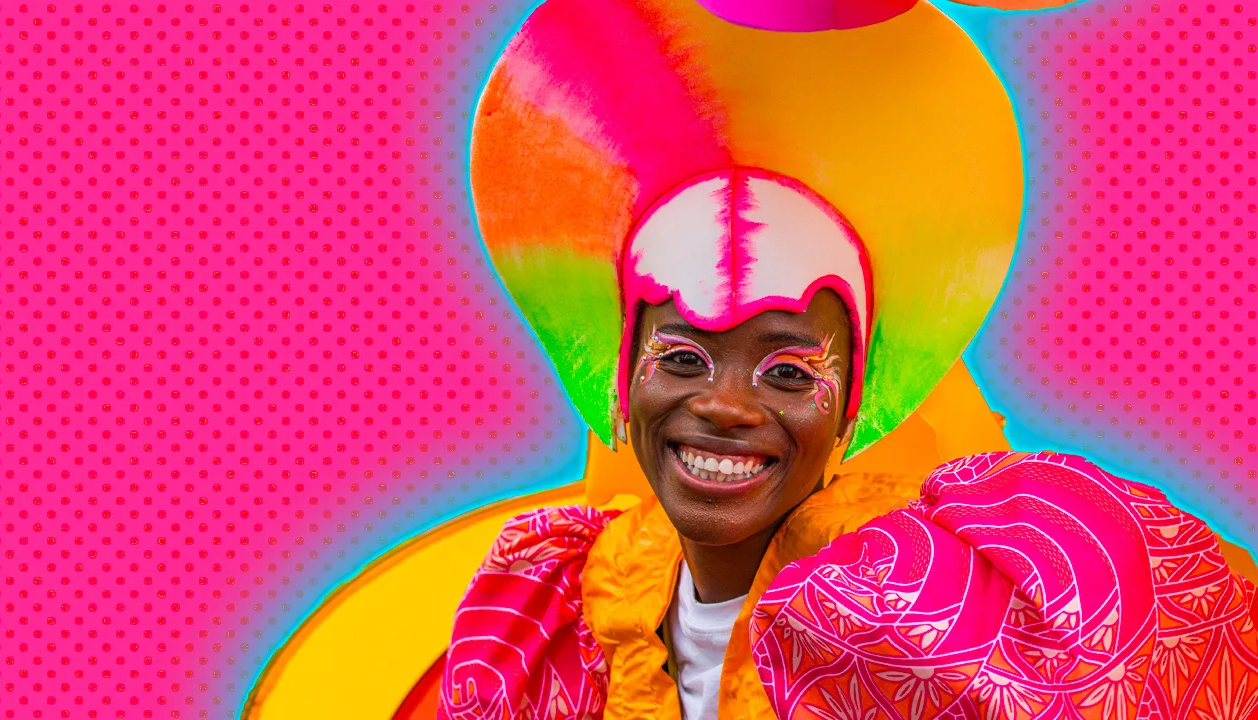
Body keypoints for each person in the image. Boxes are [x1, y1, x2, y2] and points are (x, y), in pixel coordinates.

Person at [439, 0, 1258, 718]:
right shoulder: (548, 614)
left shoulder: (934, 616)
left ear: (850, 407)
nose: (724, 403)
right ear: (626, 378)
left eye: (789, 372)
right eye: (683, 358)